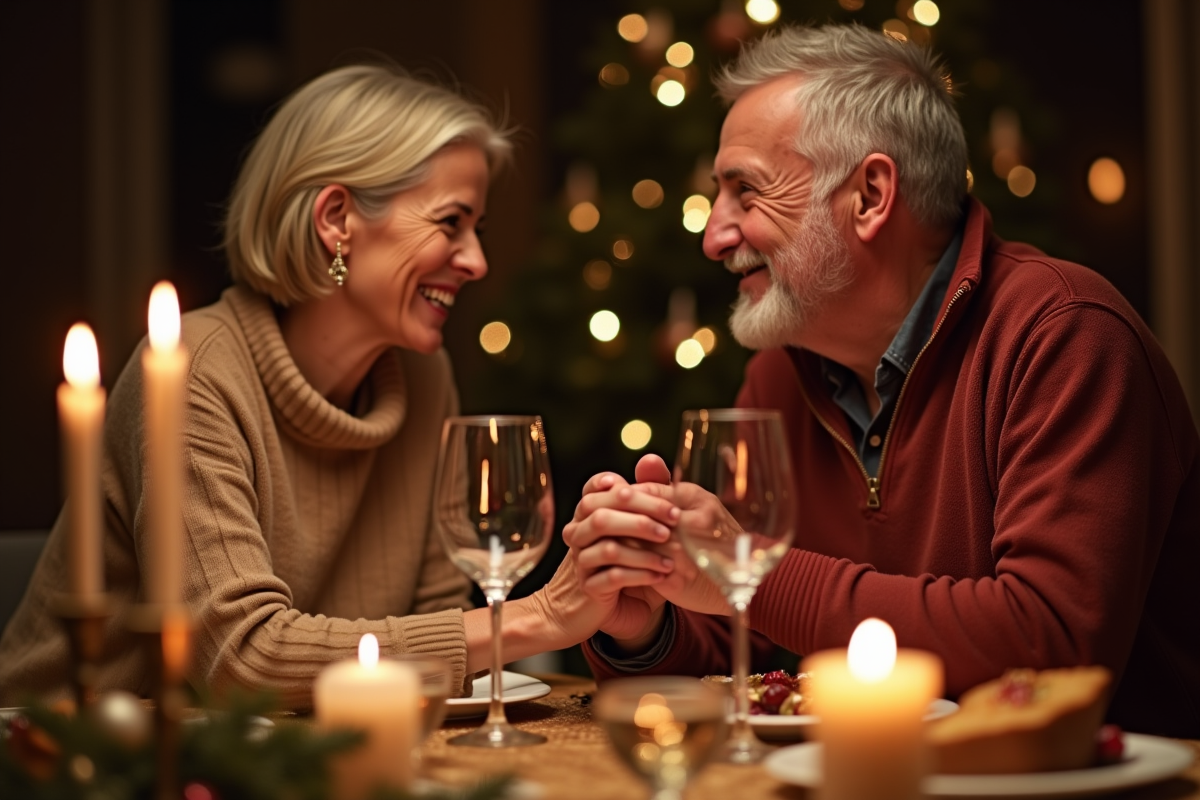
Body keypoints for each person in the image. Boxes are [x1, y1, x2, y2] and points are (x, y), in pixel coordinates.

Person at [563, 25, 1200, 737]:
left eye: (746, 192)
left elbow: (1050, 647)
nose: (714, 234)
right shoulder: (777, 375)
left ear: (870, 194)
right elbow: (729, 655)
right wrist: (643, 625)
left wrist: (756, 574)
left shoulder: (1065, 335)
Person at [0, 65, 613, 708]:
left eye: (477, 230)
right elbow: (239, 659)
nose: (477, 261)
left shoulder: (424, 377)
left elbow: (437, 624)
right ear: (337, 219)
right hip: (81, 756)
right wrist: (542, 615)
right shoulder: (191, 371)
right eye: (451, 222)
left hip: (297, 753)